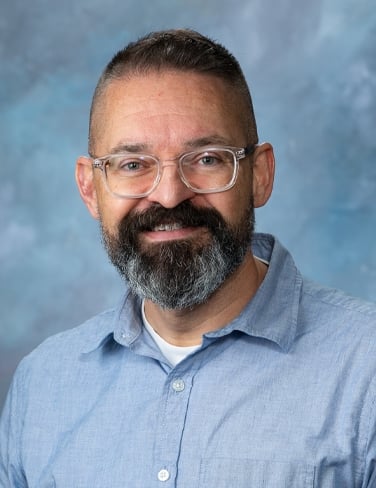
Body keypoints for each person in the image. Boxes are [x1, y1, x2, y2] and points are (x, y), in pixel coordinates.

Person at [1, 28, 376, 488]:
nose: (170, 195)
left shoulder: (365, 369)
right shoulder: (42, 384)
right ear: (89, 188)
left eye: (206, 159)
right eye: (133, 165)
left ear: (259, 175)